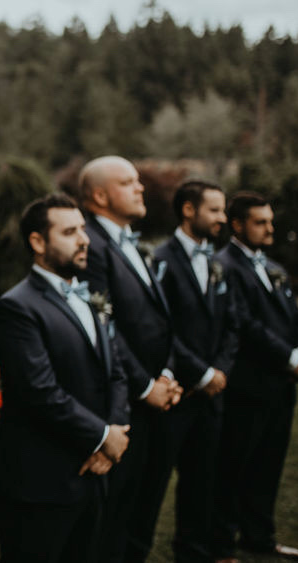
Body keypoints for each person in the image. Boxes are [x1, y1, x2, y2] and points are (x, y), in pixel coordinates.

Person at [0, 193, 130, 562]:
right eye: (69, 232)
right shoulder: (17, 307)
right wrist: (102, 436)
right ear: (38, 242)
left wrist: (114, 432)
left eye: (83, 229)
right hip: (39, 481)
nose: (85, 239)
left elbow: (116, 371)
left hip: (94, 473)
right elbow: (39, 391)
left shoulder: (92, 298)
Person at [74, 155, 183, 562]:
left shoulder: (134, 242)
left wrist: (168, 374)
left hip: (159, 399)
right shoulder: (90, 245)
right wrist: (144, 385)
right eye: (128, 182)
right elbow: (104, 327)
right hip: (121, 406)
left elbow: (161, 320)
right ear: (100, 196)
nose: (140, 188)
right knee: (112, 523)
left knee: (144, 513)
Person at [128, 181, 239, 562]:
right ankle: (134, 553)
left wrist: (221, 370)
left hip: (211, 399)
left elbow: (232, 324)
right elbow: (160, 330)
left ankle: (193, 553)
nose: (223, 218)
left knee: (202, 485)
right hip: (174, 396)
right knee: (151, 488)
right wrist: (201, 374)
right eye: (215, 210)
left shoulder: (218, 263)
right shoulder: (160, 260)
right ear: (189, 211)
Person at [212, 192, 298, 562]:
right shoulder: (224, 265)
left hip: (280, 388)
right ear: (237, 225)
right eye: (261, 222)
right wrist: (287, 356)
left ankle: (259, 538)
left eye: (270, 221)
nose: (270, 228)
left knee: (268, 468)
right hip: (247, 386)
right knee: (233, 468)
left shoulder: (274, 266)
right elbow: (243, 323)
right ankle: (221, 545)